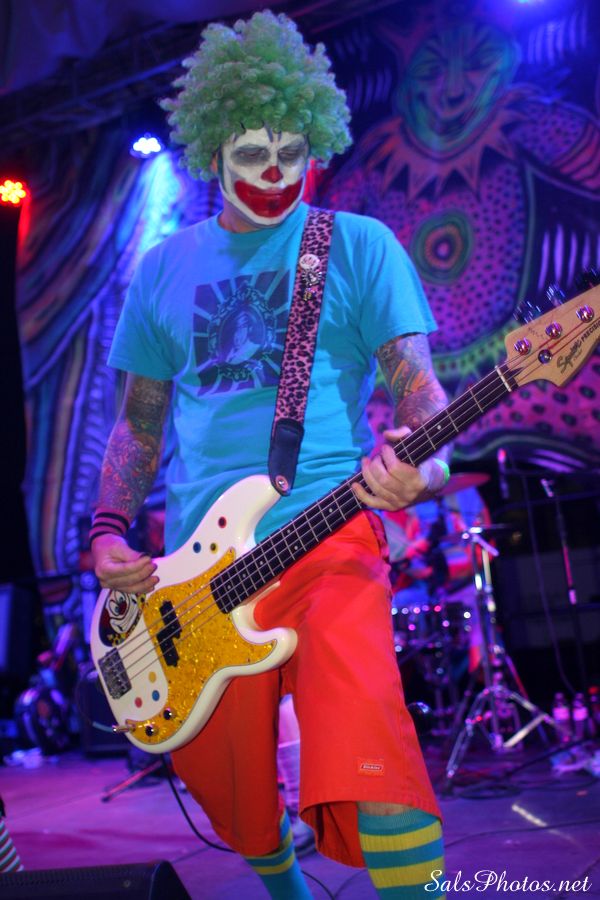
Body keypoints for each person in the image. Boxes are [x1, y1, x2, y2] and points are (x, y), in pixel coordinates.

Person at [90, 11, 450, 899]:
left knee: (371, 755)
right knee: (237, 796)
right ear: (211, 148)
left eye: (292, 150)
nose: (277, 171)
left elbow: (420, 392)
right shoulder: (162, 269)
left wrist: (425, 467)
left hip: (330, 530)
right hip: (197, 570)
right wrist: (106, 531)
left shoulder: (356, 246)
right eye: (253, 152)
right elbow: (139, 424)